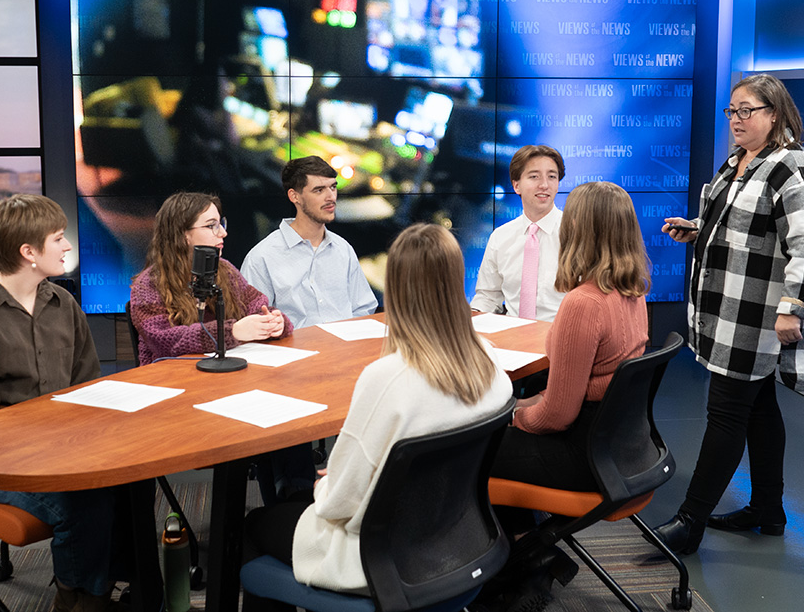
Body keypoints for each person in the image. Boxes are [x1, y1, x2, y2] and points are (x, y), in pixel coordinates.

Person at [240, 223, 513, 606]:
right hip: (459, 541)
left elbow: (338, 505)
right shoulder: (489, 357)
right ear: (455, 281)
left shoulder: (387, 378)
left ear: (397, 288)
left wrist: (328, 481)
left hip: (379, 558)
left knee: (253, 524)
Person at [653, 73, 804, 555]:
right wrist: (697, 228)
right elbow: (745, 227)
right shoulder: (739, 162)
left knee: (727, 411)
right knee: (760, 409)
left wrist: (793, 308)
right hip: (726, 310)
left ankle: (689, 522)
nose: (735, 119)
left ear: (775, 113)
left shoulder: (796, 169)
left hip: (756, 317)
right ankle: (768, 510)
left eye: (746, 109)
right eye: (732, 110)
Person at [0, 194, 119, 612]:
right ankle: (78, 598)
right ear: (28, 252)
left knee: (122, 484)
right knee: (81, 502)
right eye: (58, 239)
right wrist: (52, 445)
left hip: (56, 446)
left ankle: (107, 585)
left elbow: (85, 385)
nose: (68, 246)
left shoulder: (63, 304)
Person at [477, 182, 651, 612]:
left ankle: (518, 565)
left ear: (580, 231)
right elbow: (606, 379)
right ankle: (530, 551)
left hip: (584, 459)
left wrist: (512, 414)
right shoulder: (633, 290)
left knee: (473, 449)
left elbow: (555, 415)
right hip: (626, 451)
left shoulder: (583, 304)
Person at [129, 192, 293, 364]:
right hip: (173, 377)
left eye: (221, 224)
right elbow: (163, 340)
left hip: (226, 373)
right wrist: (232, 332)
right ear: (182, 234)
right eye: (210, 226)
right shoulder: (149, 284)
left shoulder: (225, 269)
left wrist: (273, 322)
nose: (223, 233)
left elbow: (258, 306)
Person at [241, 156, 377, 329]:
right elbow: (253, 323)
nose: (331, 197)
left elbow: (363, 308)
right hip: (293, 353)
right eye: (319, 190)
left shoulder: (343, 249)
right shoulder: (261, 257)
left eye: (333, 188)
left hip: (345, 351)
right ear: (294, 196)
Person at [471, 144, 568, 321]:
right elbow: (488, 297)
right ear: (516, 186)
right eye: (534, 177)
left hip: (564, 339)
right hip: (510, 339)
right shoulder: (500, 237)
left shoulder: (577, 233)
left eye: (552, 177)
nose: (544, 185)